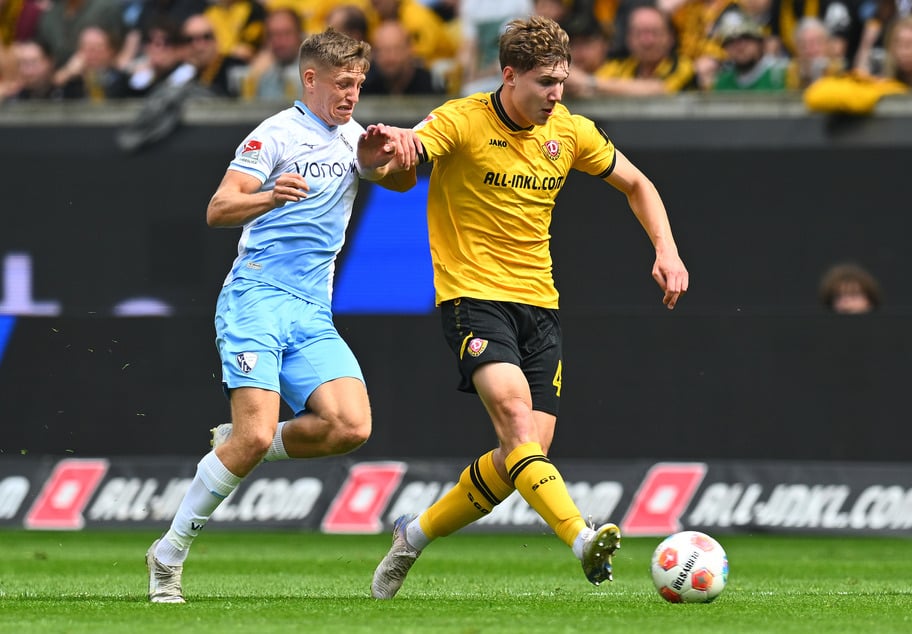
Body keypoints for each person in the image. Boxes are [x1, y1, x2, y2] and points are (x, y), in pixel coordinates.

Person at [370, 15, 689, 599]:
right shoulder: (460, 120)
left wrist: (666, 252)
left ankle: (411, 535)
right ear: (509, 74)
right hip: (472, 298)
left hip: (540, 308)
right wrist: (381, 157)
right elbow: (398, 172)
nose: (556, 94)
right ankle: (580, 537)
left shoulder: (568, 130)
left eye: (562, 80)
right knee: (517, 423)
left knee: (523, 456)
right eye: (545, 82)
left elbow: (638, 184)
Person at [145, 27, 421, 604]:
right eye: (343, 84)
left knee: (350, 427)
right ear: (311, 79)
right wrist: (268, 196)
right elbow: (218, 208)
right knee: (248, 435)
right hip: (256, 299)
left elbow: (399, 184)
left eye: (359, 84)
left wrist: (382, 161)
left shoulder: (353, 137)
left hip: (311, 310)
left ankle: (247, 441)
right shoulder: (274, 134)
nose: (352, 94)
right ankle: (168, 554)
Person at [571, 5, 697, 98]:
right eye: (639, 33)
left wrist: (588, 82)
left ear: (670, 38)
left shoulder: (683, 65)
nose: (647, 41)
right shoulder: (620, 67)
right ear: (628, 38)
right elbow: (588, 88)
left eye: (654, 33)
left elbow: (658, 90)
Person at [239, 6, 305, 100]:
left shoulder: (316, 68)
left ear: (300, 35)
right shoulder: (263, 72)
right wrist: (254, 76)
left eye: (286, 33)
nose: (280, 41)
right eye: (273, 35)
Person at [361, 18, 441, 94]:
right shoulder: (365, 87)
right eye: (382, 51)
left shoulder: (430, 86)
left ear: (410, 50)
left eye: (396, 49)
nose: (389, 58)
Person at [711, 15, 789, 91]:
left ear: (760, 43)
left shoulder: (782, 75)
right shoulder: (722, 83)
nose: (740, 47)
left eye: (746, 38)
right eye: (731, 41)